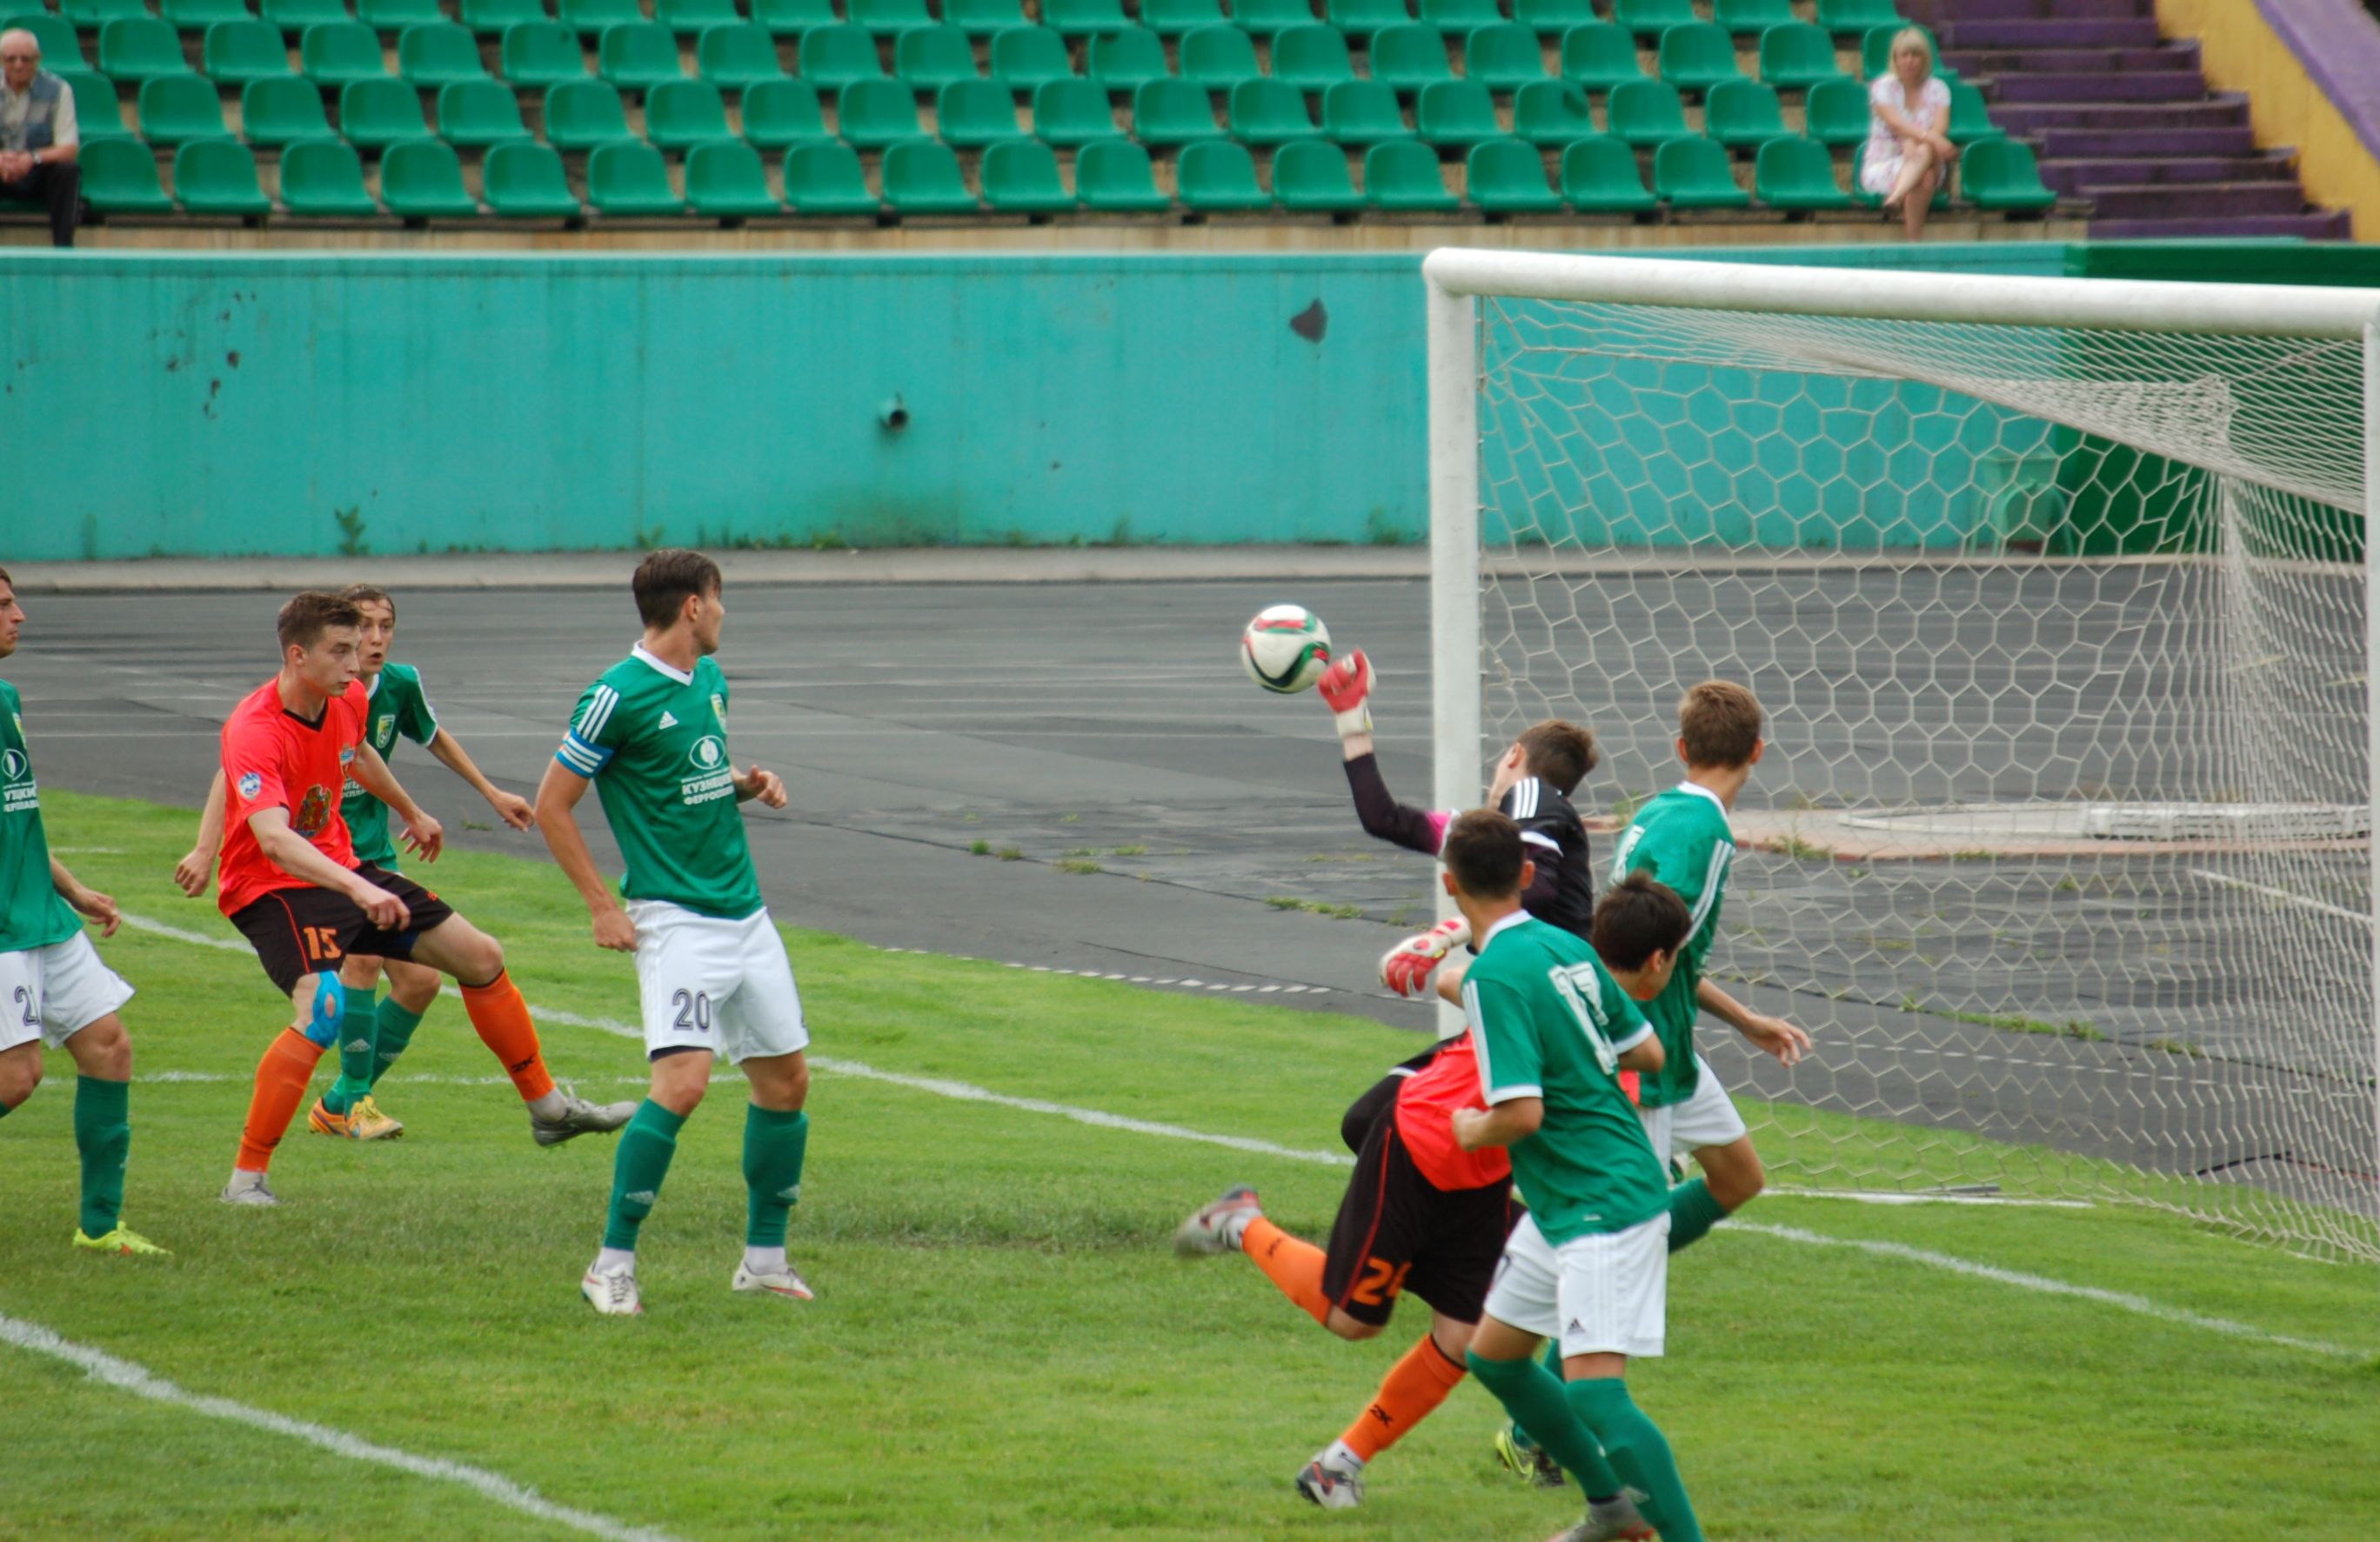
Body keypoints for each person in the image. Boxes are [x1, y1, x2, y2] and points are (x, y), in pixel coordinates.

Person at [1174, 871, 1691, 1536]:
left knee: (1469, 1337)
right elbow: (1527, 1095)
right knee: (1353, 1319)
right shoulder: (1563, 984)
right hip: (1423, 1150)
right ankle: (1240, 1221)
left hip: (1477, 1174)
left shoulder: (1565, 977)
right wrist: (1438, 949)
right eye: (1680, 961)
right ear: (1658, 961)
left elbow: (1474, 973)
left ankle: (1340, 1464)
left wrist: (1434, 951)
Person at [205, 591, 631, 1207]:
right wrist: (358, 885)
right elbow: (273, 840)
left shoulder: (346, 696)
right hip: (273, 887)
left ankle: (549, 1109)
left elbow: (357, 755)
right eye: (342, 650)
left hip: (346, 868)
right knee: (324, 1006)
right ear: (297, 655)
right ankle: (246, 1179)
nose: (358, 663)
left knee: (480, 956)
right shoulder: (254, 727)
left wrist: (410, 810)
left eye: (361, 646)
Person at [535, 550, 813, 1318]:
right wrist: (601, 904)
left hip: (747, 914)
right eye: (720, 600)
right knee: (683, 1085)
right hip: (676, 920)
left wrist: (745, 786)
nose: (726, 613)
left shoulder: (713, 683)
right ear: (693, 606)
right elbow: (553, 806)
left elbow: (692, 780)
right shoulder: (613, 696)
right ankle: (610, 1264)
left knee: (786, 1082)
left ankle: (764, 1261)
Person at [173, 583, 537, 1141]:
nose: (372, 642)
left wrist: (420, 810)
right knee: (347, 983)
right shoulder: (267, 719)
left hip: (362, 853)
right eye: (358, 632)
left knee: (422, 983)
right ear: (311, 648)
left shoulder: (377, 691)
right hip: (307, 869)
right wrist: (206, 846)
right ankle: (348, 1107)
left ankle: (346, 1099)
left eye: (383, 627)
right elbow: (241, 779)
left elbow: (378, 750)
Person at [1444, 811, 1707, 1542]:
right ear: (1527, 876)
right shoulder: (1566, 942)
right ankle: (1612, 1509)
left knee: (1597, 1395)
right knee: (1494, 1357)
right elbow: (1648, 1051)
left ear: (1449, 885)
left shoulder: (1492, 977)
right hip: (1576, 1196)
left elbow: (1520, 1114)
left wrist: (1471, 1127)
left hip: (1602, 1200)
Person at [0, 566, 164, 1256]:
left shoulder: (6, 696)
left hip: (43, 916)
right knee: (18, 1077)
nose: (21, 615)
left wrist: (72, 889)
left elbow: (19, 818)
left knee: (109, 1047)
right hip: (4, 928)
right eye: (5, 604)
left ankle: (100, 1226)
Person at [1615, 681, 1809, 1258]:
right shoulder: (1708, 832)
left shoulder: (1656, 811)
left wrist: (1744, 1018)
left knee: (1739, 1177)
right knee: (1626, 1253)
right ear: (1757, 750)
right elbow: (1649, 958)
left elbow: (1662, 957)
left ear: (1681, 748)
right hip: (1645, 1051)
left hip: (1669, 1042)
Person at [1316, 647, 1599, 991]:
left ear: (1515, 754)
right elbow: (1383, 819)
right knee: (1453, 986)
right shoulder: (1493, 834)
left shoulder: (1532, 794)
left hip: (1555, 987)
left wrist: (1443, 935)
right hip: (1538, 985)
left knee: (1455, 986)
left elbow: (1535, 888)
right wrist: (1351, 720)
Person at [1862, 26, 1956, 242]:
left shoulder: (1938, 89)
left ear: (1925, 59)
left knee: (1926, 154)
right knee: (1925, 176)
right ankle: (1915, 243)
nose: (1909, 60)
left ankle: (1895, 198)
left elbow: (1940, 127)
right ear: (1895, 59)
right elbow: (1896, 123)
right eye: (1904, 55)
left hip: (1926, 158)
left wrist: (1922, 142)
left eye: (1915, 55)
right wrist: (1926, 140)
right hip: (1884, 164)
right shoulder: (1882, 87)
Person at [0, 29, 79, 249]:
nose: (18, 65)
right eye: (10, 59)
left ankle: (64, 249)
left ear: (38, 60)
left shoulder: (59, 90)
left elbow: (69, 148)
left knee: (68, 172)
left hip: (37, 171)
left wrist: (31, 158)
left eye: (26, 59)